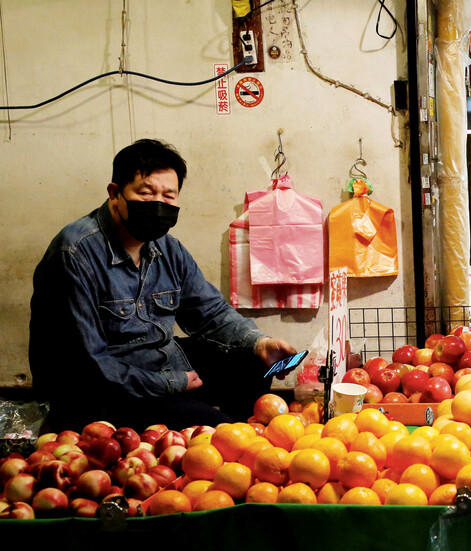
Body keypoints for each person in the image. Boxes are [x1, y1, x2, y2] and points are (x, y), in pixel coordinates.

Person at [30, 139, 298, 431]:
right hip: (102, 390)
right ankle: (221, 440)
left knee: (252, 361)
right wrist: (172, 383)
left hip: (162, 363)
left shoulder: (167, 249)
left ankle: (246, 440)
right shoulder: (74, 253)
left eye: (169, 196)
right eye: (146, 193)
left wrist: (259, 343)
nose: (159, 204)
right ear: (114, 194)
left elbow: (210, 313)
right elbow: (89, 364)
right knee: (218, 429)